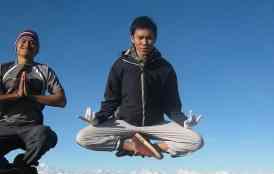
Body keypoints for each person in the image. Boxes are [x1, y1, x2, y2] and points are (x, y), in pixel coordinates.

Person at [76, 16, 204, 159]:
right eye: (140, 38)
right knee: (83, 137)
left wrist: (183, 120)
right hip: (125, 124)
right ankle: (130, 146)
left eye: (149, 38)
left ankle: (152, 148)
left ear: (155, 39)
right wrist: (98, 119)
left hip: (156, 125)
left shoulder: (165, 68)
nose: (144, 42)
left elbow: (172, 105)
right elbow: (111, 100)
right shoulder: (120, 65)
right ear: (132, 38)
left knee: (196, 140)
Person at [0, 30, 66, 174]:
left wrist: (30, 96)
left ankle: (16, 169)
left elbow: (61, 100)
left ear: (37, 49)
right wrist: (14, 95)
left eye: (32, 42)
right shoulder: (3, 69)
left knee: (47, 136)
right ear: (15, 45)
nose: (27, 44)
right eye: (23, 41)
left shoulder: (44, 71)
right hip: (4, 126)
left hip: (32, 128)